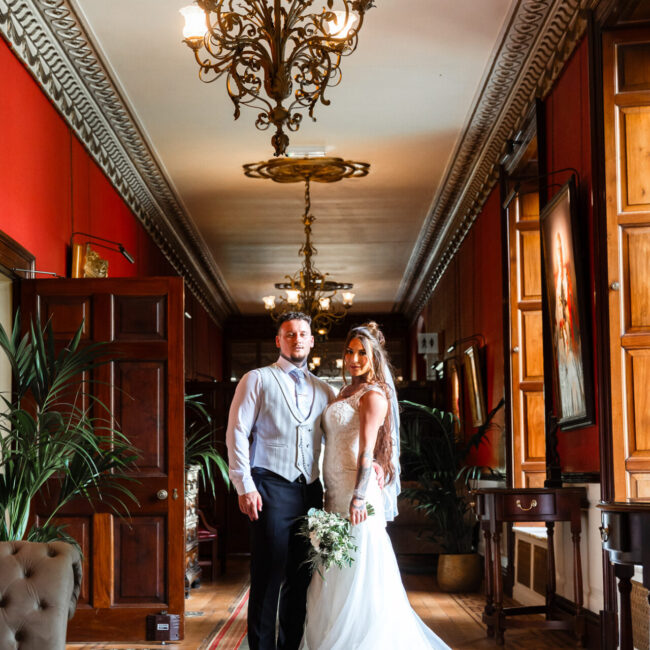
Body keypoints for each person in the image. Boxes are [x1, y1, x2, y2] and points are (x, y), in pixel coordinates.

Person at [301, 322, 451, 650]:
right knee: (333, 569)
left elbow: (368, 449)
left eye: (361, 353)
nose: (354, 358)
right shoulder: (343, 393)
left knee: (357, 568)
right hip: (333, 492)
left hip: (356, 495)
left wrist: (358, 496)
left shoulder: (373, 395)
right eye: (349, 351)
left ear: (374, 357)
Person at [226, 312, 335, 650]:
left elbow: (340, 440)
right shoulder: (256, 379)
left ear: (312, 341)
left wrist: (372, 463)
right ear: (279, 340)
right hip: (269, 488)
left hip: (310, 492)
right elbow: (237, 433)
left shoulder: (325, 389)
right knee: (268, 576)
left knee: (300, 580)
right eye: (290, 334)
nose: (297, 339)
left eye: (303, 333)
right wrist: (245, 485)